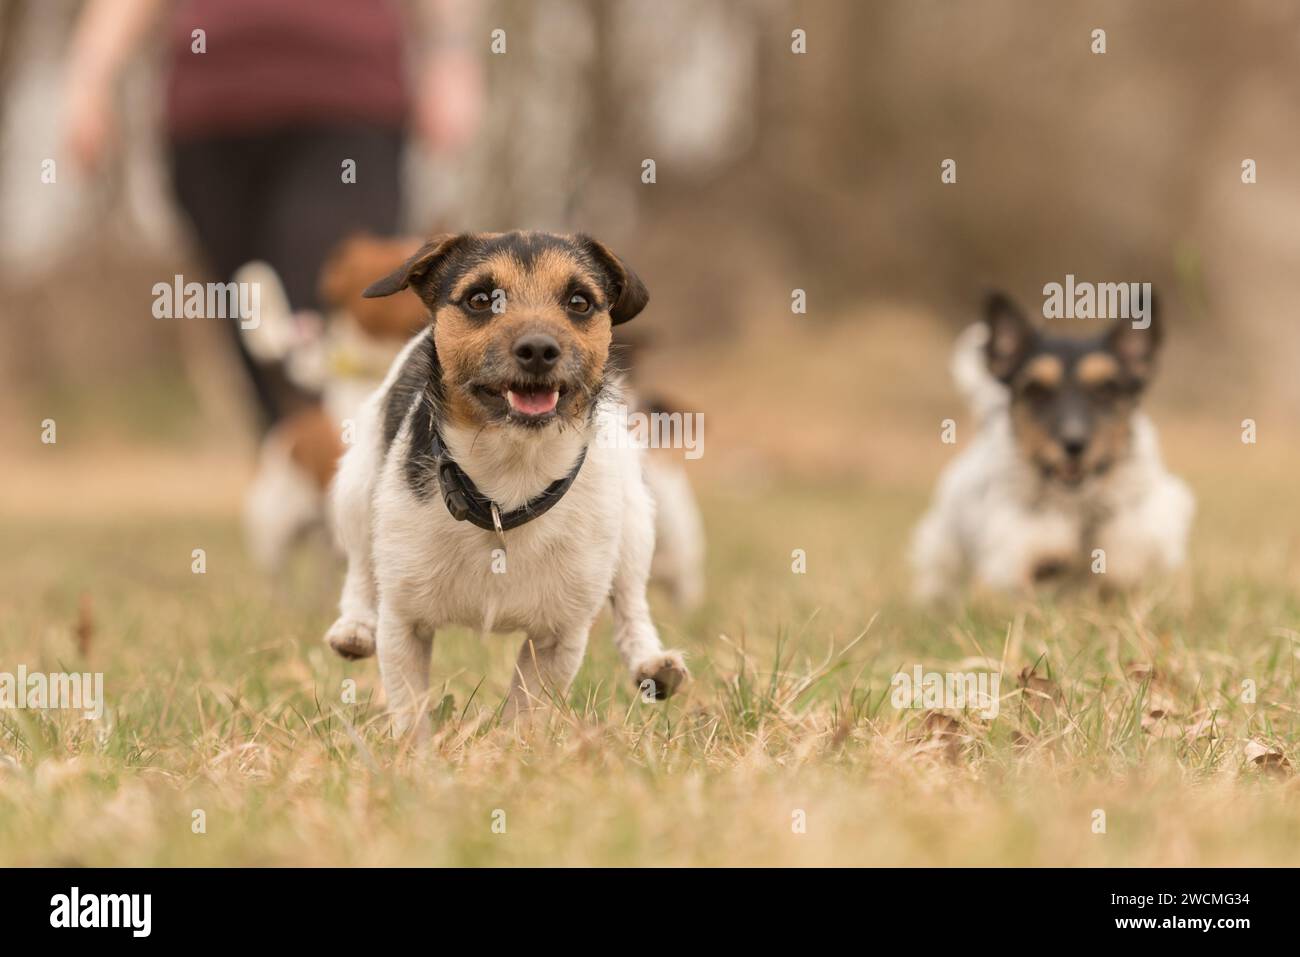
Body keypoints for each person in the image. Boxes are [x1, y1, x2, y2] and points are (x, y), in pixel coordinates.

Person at [64, 0, 482, 430]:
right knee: (252, 312)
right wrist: (90, 76)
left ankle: (349, 460)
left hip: (347, 102)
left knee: (322, 292)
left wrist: (451, 56)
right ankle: (293, 459)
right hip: (208, 120)